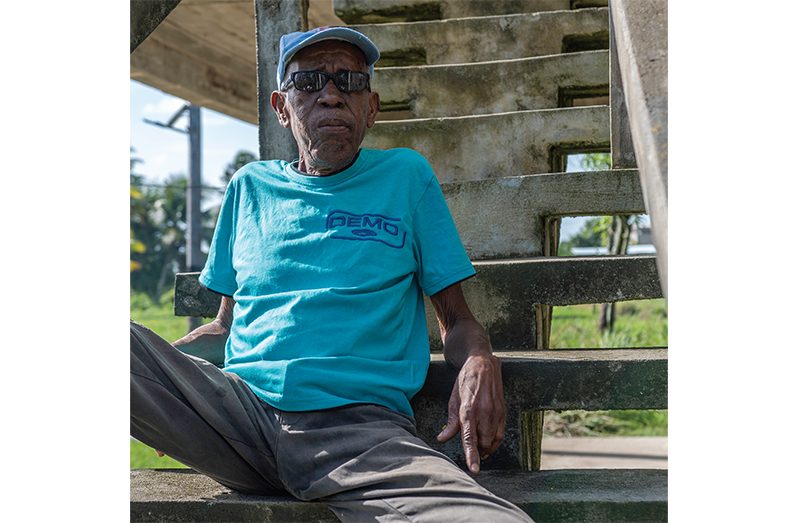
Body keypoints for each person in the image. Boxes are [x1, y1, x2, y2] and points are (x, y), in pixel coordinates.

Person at [130, 26, 533, 522]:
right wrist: (169, 386)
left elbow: (456, 319)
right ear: (282, 107)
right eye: (310, 82)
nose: (331, 96)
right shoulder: (249, 187)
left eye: (350, 82)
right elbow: (226, 328)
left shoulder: (405, 177)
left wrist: (479, 359)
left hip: (361, 436)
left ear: (371, 107)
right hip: (240, 415)